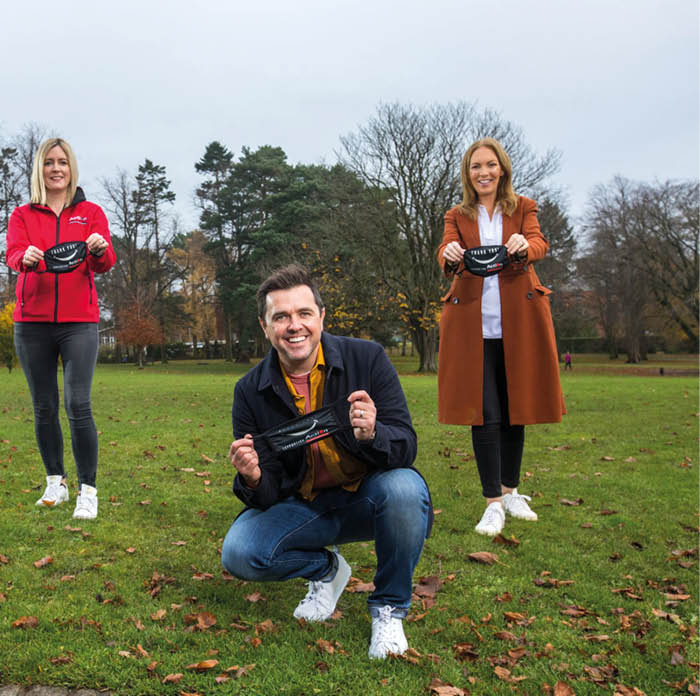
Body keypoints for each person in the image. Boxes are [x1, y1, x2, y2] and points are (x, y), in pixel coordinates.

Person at [221, 265, 432, 660]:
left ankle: (388, 608)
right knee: (239, 551)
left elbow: (406, 447)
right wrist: (252, 477)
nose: (293, 326)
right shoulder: (250, 390)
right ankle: (327, 571)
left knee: (405, 488)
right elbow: (268, 494)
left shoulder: (367, 359)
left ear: (321, 316)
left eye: (303, 313)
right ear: (265, 327)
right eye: (280, 317)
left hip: (368, 498)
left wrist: (374, 434)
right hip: (306, 507)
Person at [437, 137, 564, 538]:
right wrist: (450, 254)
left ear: (502, 169)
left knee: (515, 411)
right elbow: (443, 250)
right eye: (476, 166)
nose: (484, 173)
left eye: (490, 165)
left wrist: (526, 244)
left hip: (519, 322)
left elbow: (540, 243)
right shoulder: (457, 214)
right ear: (468, 173)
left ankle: (511, 492)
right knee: (485, 413)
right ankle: (492, 503)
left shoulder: (523, 207)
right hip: (472, 326)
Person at [5, 138, 116, 520]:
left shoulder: (91, 212)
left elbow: (105, 263)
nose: (56, 169)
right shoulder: (22, 215)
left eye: (63, 162)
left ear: (72, 169)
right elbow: (13, 254)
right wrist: (26, 258)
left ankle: (88, 490)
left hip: (79, 323)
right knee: (44, 406)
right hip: (32, 324)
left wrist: (100, 249)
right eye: (50, 162)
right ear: (40, 169)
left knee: (78, 404)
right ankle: (56, 482)